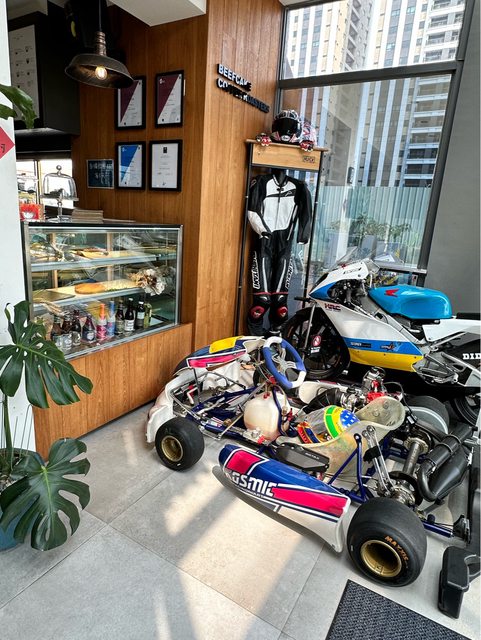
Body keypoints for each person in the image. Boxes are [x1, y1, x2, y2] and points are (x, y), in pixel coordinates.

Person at [246, 168, 312, 335]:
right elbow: (252, 210)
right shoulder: (261, 182)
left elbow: (306, 212)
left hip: (285, 244)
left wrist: (303, 235)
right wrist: (262, 230)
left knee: (280, 303)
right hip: (263, 243)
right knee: (261, 302)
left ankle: (276, 339)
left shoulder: (299, 186)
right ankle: (255, 338)